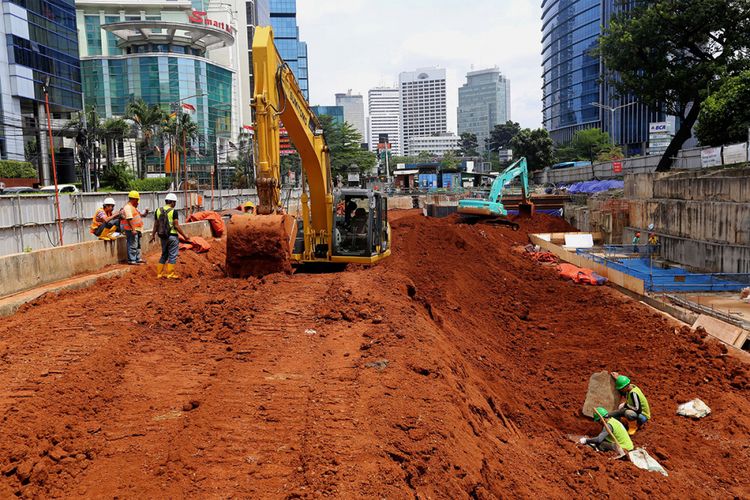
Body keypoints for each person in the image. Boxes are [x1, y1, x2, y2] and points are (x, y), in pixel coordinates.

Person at [150, 193, 191, 279]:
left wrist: (153, 235)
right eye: (175, 202)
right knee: (172, 255)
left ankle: (159, 274)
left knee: (164, 254)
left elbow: (156, 224)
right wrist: (184, 236)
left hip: (162, 236)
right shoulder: (173, 211)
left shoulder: (158, 210)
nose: (175, 204)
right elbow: (176, 225)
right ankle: (170, 274)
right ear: (172, 202)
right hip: (172, 236)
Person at [121, 191, 150, 265]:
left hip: (137, 230)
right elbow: (129, 219)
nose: (138, 202)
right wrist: (133, 229)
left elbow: (141, 215)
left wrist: (146, 212)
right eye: (137, 200)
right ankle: (132, 260)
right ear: (133, 199)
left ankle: (137, 258)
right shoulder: (127, 207)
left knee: (137, 245)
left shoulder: (133, 208)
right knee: (132, 244)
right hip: (131, 230)